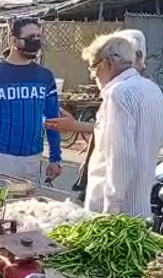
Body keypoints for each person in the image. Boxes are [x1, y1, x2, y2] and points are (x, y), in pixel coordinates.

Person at [46, 29, 151, 201]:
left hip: (115, 189)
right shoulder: (145, 89)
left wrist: (75, 126)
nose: (93, 74)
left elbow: (120, 146)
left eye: (95, 67)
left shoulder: (121, 93)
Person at [0, 17, 62, 186]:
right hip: (1, 158)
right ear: (13, 40)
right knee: (0, 202)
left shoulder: (45, 77)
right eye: (30, 37)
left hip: (33, 158)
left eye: (38, 37)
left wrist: (55, 158)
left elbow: (53, 119)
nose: (35, 42)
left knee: (30, 202)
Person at [79, 34, 163, 216]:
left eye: (94, 68)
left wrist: (111, 207)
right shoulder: (153, 89)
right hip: (140, 201)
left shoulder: (117, 94)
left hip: (113, 209)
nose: (93, 76)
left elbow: (120, 156)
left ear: (108, 62)